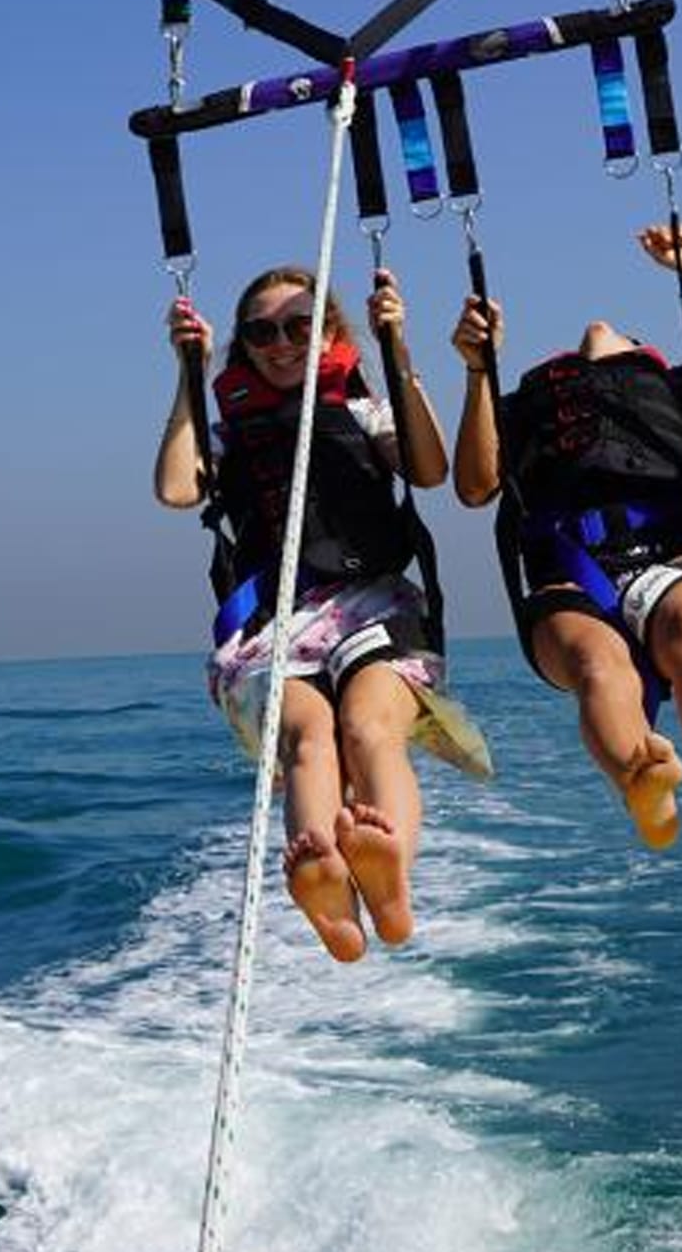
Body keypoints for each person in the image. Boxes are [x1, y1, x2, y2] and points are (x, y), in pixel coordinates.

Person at [156, 264, 490, 964]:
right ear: (241, 344)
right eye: (261, 332)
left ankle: (387, 868)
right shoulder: (227, 433)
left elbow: (428, 470)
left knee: (368, 728)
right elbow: (175, 489)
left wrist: (399, 358)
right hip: (274, 622)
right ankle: (326, 883)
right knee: (310, 735)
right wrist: (189, 375)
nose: (280, 343)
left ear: (331, 333)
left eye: (300, 326)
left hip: (373, 604)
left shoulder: (365, 409)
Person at [451, 221, 682, 851]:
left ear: (645, 360)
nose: (596, 328)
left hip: (669, 566)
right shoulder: (519, 411)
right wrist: (479, 373)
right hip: (570, 576)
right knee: (599, 663)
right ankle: (641, 782)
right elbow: (475, 486)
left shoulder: (676, 392)